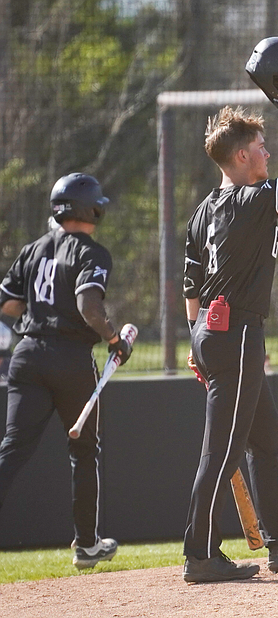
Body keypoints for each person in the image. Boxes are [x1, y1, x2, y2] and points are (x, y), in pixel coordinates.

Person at [180, 81, 278, 583]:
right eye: (262, 147)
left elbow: (190, 281)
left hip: (213, 333)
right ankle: (200, 555)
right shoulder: (253, 200)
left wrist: (198, 341)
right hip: (238, 334)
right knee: (222, 454)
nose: (268, 152)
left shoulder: (203, 210)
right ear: (243, 156)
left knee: (266, 442)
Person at [0, 173, 132, 569]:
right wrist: (114, 340)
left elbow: (7, 306)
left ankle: (88, 544)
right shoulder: (92, 252)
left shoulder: (33, 249)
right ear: (92, 209)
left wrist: (40, 315)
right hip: (71, 359)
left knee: (13, 447)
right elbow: (90, 307)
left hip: (27, 355)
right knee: (84, 451)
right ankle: (86, 545)